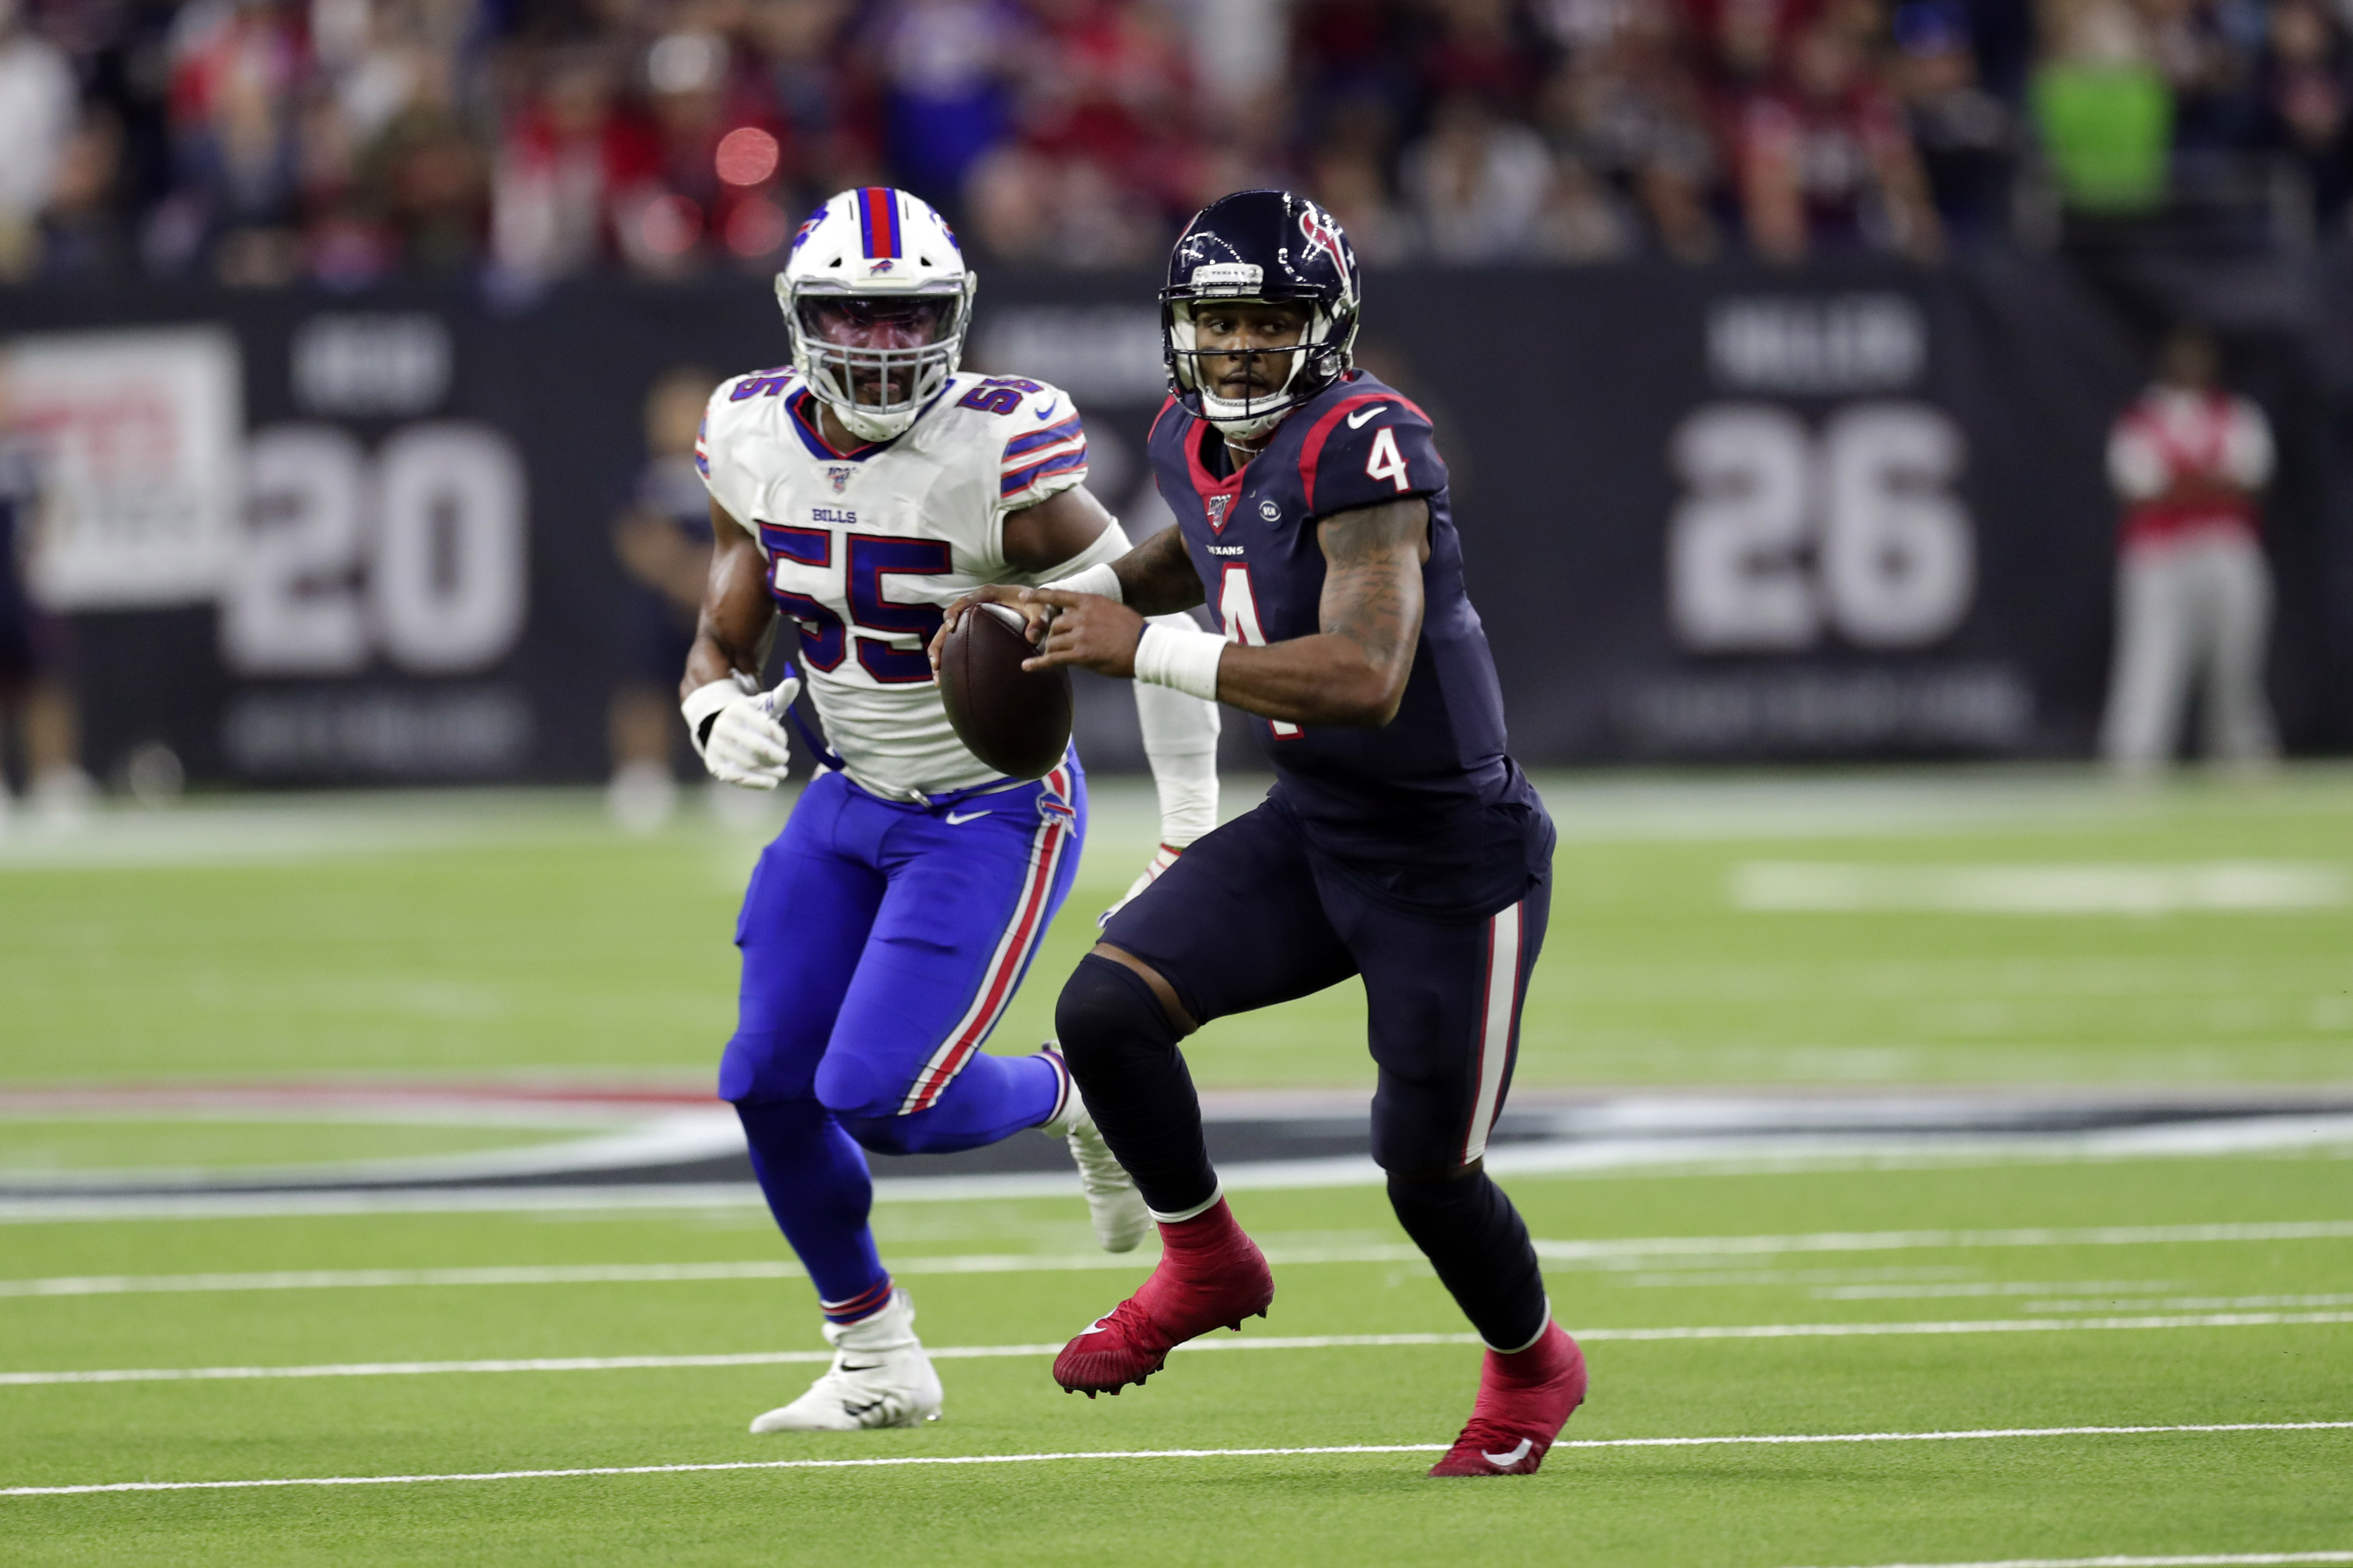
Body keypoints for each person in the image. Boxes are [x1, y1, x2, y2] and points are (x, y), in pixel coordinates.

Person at [937, 189, 1584, 1479]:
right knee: (1105, 1014)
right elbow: (1206, 545)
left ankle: (1531, 1363)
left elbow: (1365, 675)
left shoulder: (1366, 440)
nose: (1237, 347)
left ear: (1324, 326)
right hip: (1317, 826)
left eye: (1269, 319)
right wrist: (1073, 599)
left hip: (1450, 862)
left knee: (1424, 1171)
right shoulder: (1189, 431)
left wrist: (1147, 649)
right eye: (1217, 320)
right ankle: (1206, 1258)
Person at [683, 185, 1221, 1433]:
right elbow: (729, 602)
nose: (881, 348)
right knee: (765, 1078)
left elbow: (1156, 613)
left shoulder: (1001, 451)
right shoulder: (750, 429)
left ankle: (1070, 1089)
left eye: (907, 318)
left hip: (986, 812)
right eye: (851, 321)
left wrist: (1185, 824)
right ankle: (875, 1356)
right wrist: (712, 701)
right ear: (798, 318)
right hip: (845, 795)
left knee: (878, 1095)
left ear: (955, 316)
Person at [2100, 326, 2279, 772]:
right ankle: (2135, 757)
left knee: (2237, 661)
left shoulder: (2237, 414)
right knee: (2152, 658)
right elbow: (2140, 492)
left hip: (2227, 552)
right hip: (2160, 557)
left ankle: (2243, 757)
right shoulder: (2141, 419)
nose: (2191, 367)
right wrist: (2212, 484)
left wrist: (2184, 484)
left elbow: (2252, 484)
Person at [609, 365, 719, 831]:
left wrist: (709, 576)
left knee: (728, 688)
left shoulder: (728, 476)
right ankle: (643, 776)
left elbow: (747, 536)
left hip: (717, 608)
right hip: (658, 607)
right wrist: (676, 574)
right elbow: (635, 535)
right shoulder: (647, 478)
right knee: (647, 691)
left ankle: (731, 775)